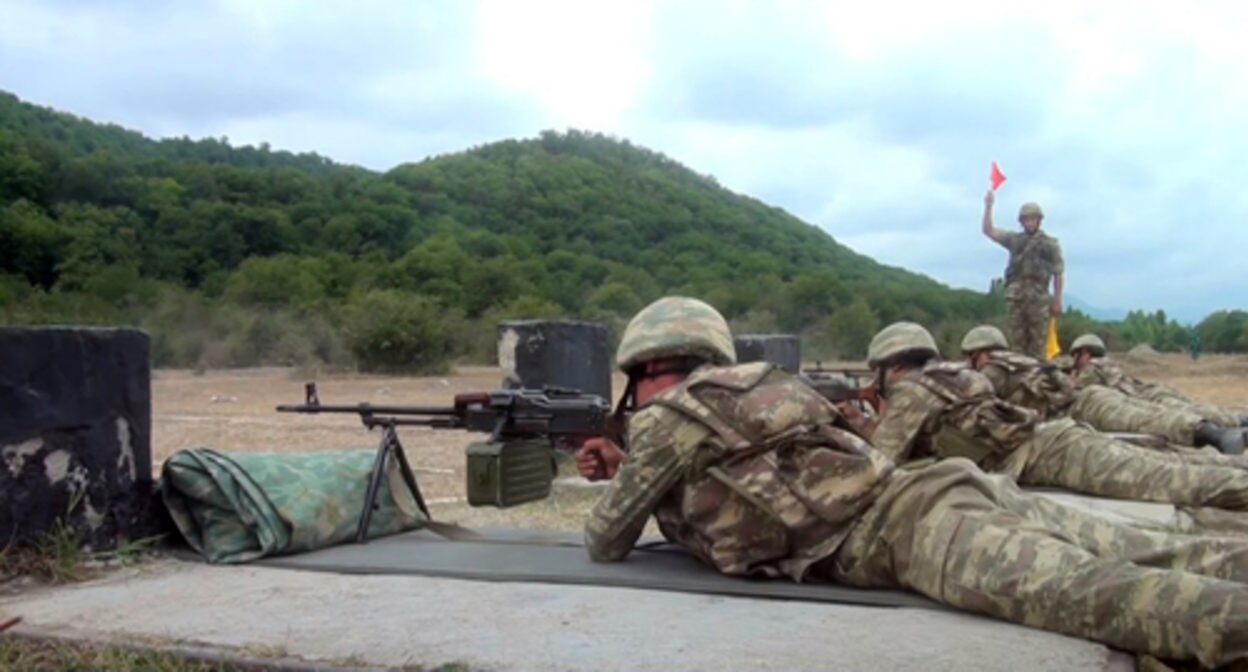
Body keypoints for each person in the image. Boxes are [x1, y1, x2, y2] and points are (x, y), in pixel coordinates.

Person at [578, 296, 1248, 668]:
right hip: (947, 489)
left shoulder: (667, 421)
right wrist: (632, 462)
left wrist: (624, 470)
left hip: (917, 530)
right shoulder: (759, 386)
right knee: (1153, 553)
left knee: (1113, 599)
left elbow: (606, 541)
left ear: (644, 367)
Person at [958, 324, 1245, 455]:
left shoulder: (992, 370)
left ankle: (1218, 435)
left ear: (976, 353)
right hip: (1092, 401)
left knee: (1149, 420)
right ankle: (1231, 425)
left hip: (1080, 408)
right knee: (1153, 414)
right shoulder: (1021, 360)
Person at [1070, 333, 1248, 429]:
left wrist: (1070, 379)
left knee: (1184, 415)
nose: (1073, 361)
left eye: (1075, 356)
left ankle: (1236, 424)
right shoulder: (1109, 364)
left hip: (1143, 400)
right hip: (1150, 391)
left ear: (1085, 353)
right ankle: (1238, 420)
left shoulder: (1091, 369)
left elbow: (1074, 397)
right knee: (1192, 407)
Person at [981, 191, 1063, 361]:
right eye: (1027, 219)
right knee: (1017, 347)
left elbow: (1058, 272)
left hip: (1038, 300)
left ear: (1039, 220)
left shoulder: (1050, 245)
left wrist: (1057, 300)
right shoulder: (1014, 240)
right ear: (1022, 222)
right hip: (1016, 298)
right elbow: (988, 230)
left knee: (1038, 347)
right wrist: (988, 206)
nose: (1030, 222)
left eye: (1033, 219)